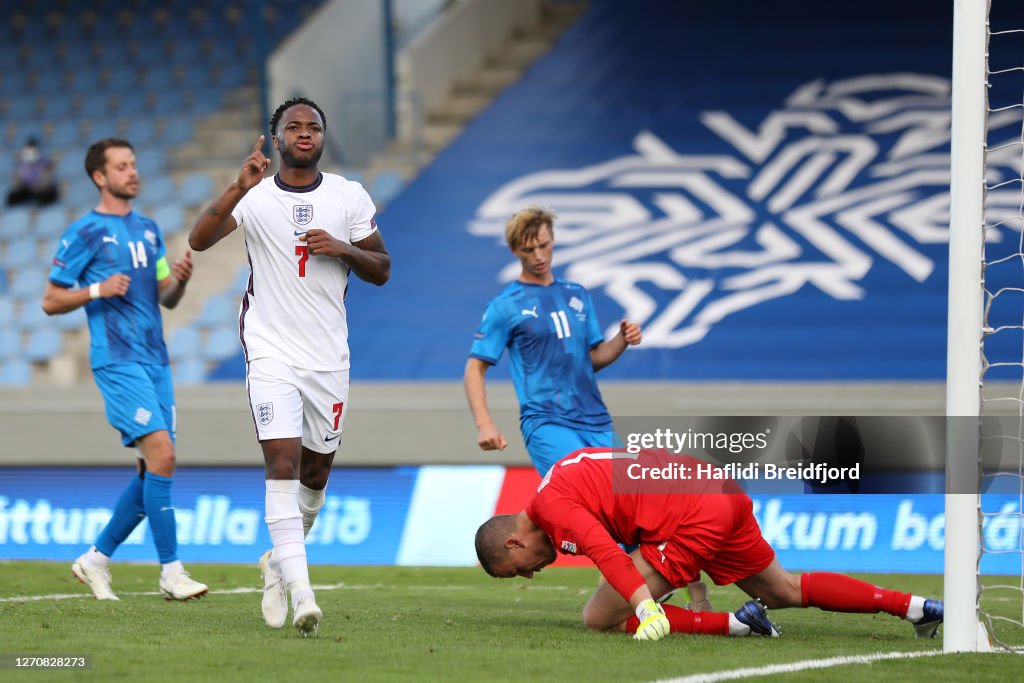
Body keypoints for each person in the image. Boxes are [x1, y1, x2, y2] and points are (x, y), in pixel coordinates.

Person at [188, 97, 390, 637]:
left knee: (316, 474)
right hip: (270, 348)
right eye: (293, 126)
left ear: (324, 137)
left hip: (328, 357)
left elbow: (383, 268)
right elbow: (198, 240)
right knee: (281, 461)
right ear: (276, 138)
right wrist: (238, 185)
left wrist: (344, 249)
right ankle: (303, 593)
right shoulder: (254, 196)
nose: (304, 133)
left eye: (313, 126)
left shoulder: (348, 195)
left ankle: (276, 562)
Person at [464, 206, 710, 610]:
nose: (539, 255)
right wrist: (484, 423)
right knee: (591, 506)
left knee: (639, 502)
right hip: (547, 421)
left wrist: (621, 340)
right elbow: (475, 368)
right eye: (528, 249)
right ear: (514, 251)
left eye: (543, 245)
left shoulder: (577, 294)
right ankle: (636, 597)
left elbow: (592, 358)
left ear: (552, 240)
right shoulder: (506, 305)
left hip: (595, 418)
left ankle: (686, 586)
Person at [475, 448, 944, 641]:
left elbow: (609, 552)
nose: (531, 574)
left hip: (694, 514)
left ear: (514, 543)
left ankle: (738, 625)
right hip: (718, 491)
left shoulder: (553, 503)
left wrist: (646, 608)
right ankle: (914, 607)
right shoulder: (566, 473)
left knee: (599, 615)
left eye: (519, 569)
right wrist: (689, 587)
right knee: (783, 589)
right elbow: (643, 514)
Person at [42, 138, 206, 602]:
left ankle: (96, 559)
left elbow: (163, 295)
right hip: (118, 360)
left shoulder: (150, 230)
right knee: (164, 457)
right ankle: (172, 572)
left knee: (150, 469)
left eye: (134, 164)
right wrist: (96, 290)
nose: (132, 172)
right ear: (100, 176)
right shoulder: (85, 232)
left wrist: (179, 282)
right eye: (122, 166)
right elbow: (52, 299)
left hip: (156, 360)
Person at [7, 137, 59, 206]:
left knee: (51, 194)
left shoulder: (44, 163)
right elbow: (16, 181)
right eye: (29, 150)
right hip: (26, 190)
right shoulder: (20, 163)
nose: (31, 153)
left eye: (33, 150)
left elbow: (47, 179)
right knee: (11, 197)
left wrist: (39, 187)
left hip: (40, 190)